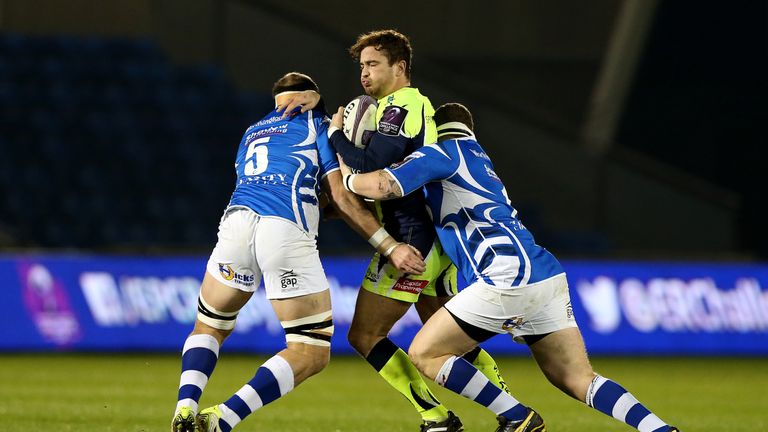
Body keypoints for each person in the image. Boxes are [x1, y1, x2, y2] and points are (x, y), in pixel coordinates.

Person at [340, 102, 680, 432]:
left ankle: (517, 416)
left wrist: (345, 170)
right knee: (578, 379)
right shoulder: (482, 161)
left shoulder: (444, 153)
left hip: (504, 275)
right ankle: (660, 429)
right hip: (544, 273)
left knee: (425, 353)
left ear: (438, 131)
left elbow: (381, 185)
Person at [170, 72, 425, 432]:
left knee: (209, 325)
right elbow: (339, 196)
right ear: (313, 97)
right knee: (310, 350)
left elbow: (296, 180)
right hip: (283, 229)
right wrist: (389, 245)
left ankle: (185, 405)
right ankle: (223, 418)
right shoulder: (318, 124)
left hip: (236, 224)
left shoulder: (252, 131)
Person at [317, 29, 511, 432]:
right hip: (432, 241)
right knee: (448, 340)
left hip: (411, 242)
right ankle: (512, 410)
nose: (364, 74)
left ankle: (436, 416)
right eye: (361, 66)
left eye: (372, 64)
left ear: (399, 67)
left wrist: (334, 134)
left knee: (366, 335)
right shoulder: (389, 106)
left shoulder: (403, 104)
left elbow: (373, 165)